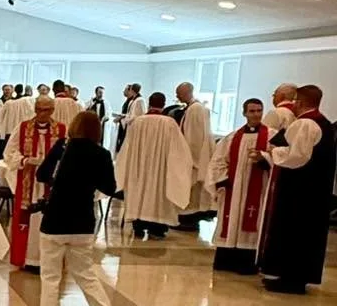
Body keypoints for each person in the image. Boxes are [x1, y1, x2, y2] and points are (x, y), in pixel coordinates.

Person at [33, 112, 121, 306]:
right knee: (86, 274)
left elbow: (41, 174)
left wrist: (58, 179)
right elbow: (110, 187)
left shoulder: (63, 146)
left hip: (55, 220)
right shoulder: (102, 154)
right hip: (83, 222)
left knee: (51, 276)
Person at [257, 85, 336, 294]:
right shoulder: (324, 123)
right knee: (305, 232)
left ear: (299, 102)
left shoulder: (306, 123)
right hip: (314, 189)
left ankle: (291, 279)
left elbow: (297, 156)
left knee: (294, 230)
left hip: (300, 189)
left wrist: (274, 151)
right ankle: (292, 277)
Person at [115, 92, 193, 239]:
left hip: (139, 170)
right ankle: (156, 229)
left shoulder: (138, 122)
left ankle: (138, 226)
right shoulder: (169, 124)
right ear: (163, 104)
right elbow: (179, 151)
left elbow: (127, 147)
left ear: (150, 103)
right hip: (160, 171)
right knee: (158, 196)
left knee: (139, 193)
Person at [208, 99, 272, 274]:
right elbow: (218, 162)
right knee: (230, 221)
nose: (256, 114)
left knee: (253, 221)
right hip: (233, 189)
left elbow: (279, 160)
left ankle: (247, 263)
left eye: (259, 110)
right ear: (244, 113)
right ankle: (226, 259)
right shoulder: (232, 137)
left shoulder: (271, 136)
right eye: (252, 111)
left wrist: (264, 158)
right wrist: (223, 180)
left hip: (258, 189)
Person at [4, 95, 66, 270]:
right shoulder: (23, 127)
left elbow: (67, 155)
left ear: (52, 110)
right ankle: (28, 259)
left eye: (45, 110)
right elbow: (10, 152)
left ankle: (49, 260)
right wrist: (25, 160)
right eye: (38, 109)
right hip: (28, 180)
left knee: (48, 219)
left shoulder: (61, 129)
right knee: (29, 219)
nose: (41, 113)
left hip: (50, 183)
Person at [168, 82, 215, 229]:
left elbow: (193, 137)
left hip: (193, 157)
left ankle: (188, 219)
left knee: (192, 190)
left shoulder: (195, 109)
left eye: (178, 93)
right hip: (192, 156)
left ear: (186, 92)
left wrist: (186, 155)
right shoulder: (193, 108)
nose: (177, 96)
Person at [113, 83, 143, 153]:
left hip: (133, 126)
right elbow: (130, 114)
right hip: (128, 125)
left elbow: (139, 115)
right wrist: (123, 116)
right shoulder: (133, 100)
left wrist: (123, 118)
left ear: (131, 90)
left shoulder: (140, 100)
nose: (124, 91)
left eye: (126, 90)